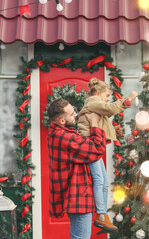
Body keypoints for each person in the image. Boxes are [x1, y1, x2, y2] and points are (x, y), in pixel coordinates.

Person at [77, 78, 138, 232]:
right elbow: (110, 109)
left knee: (104, 182)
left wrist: (115, 132)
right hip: (89, 146)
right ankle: (101, 214)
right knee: (99, 180)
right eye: (107, 95)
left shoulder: (97, 108)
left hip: (94, 147)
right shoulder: (93, 101)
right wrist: (128, 99)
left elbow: (104, 124)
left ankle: (102, 215)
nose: (108, 98)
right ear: (98, 93)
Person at [47, 98, 106, 239]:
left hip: (78, 195)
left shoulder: (61, 132)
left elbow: (85, 144)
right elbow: (97, 148)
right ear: (61, 120)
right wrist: (94, 123)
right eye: (72, 113)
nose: (76, 114)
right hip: (77, 197)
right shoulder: (64, 137)